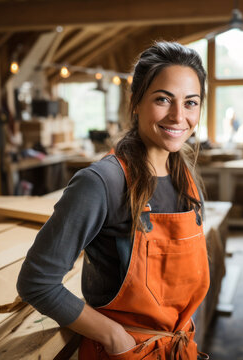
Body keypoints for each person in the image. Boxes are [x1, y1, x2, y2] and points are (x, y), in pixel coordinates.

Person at [17, 41, 210, 360]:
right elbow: (37, 281)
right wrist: (114, 336)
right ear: (135, 102)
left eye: (191, 103)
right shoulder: (102, 182)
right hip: (124, 353)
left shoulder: (185, 178)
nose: (178, 116)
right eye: (163, 99)